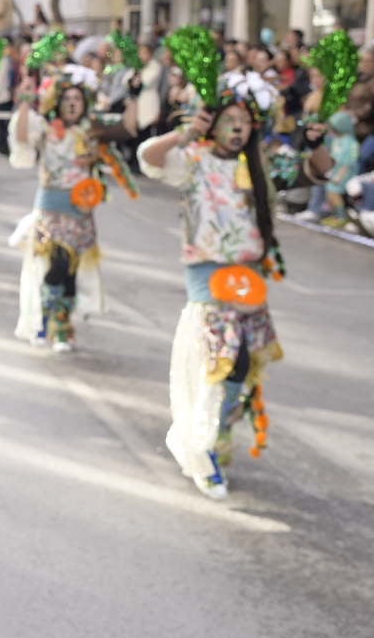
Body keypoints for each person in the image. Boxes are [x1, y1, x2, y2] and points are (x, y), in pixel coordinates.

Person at [137, 64, 331, 499]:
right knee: (221, 362)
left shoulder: (260, 165)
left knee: (241, 369)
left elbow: (319, 172)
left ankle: (216, 436)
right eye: (230, 120)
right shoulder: (193, 160)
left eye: (245, 122)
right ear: (214, 122)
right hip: (208, 278)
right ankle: (204, 448)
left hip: (249, 280)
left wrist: (317, 143)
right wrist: (186, 133)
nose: (238, 129)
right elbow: (147, 157)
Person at [11, 68, 136, 352]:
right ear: (58, 101)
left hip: (80, 211)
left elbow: (129, 128)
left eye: (77, 99)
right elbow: (21, 139)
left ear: (85, 102)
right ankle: (44, 321)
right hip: (50, 208)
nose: (71, 103)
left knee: (70, 271)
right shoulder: (45, 126)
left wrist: (135, 94)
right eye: (67, 98)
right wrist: (25, 102)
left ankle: (63, 326)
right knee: (56, 264)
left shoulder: (92, 128)